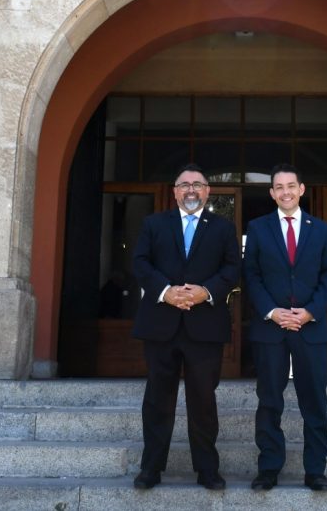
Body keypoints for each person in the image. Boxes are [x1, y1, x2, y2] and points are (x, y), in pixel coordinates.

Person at [131, 164, 240, 491]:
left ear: (207, 192)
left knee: (203, 401)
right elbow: (140, 262)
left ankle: (207, 470)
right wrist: (167, 292)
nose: (191, 190)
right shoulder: (153, 224)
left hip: (205, 327)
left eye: (197, 185)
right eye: (184, 185)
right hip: (160, 325)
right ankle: (151, 469)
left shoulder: (222, 228)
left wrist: (205, 291)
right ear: (174, 191)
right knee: (157, 401)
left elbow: (233, 268)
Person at [243, 163, 327, 492]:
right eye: (278, 187)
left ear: (301, 189)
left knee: (314, 401)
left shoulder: (322, 230)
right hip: (270, 329)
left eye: (290, 186)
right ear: (271, 193)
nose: (285, 191)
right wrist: (272, 311)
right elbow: (251, 276)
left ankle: (316, 470)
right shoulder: (257, 228)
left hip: (311, 329)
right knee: (269, 400)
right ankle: (268, 467)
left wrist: (310, 312)